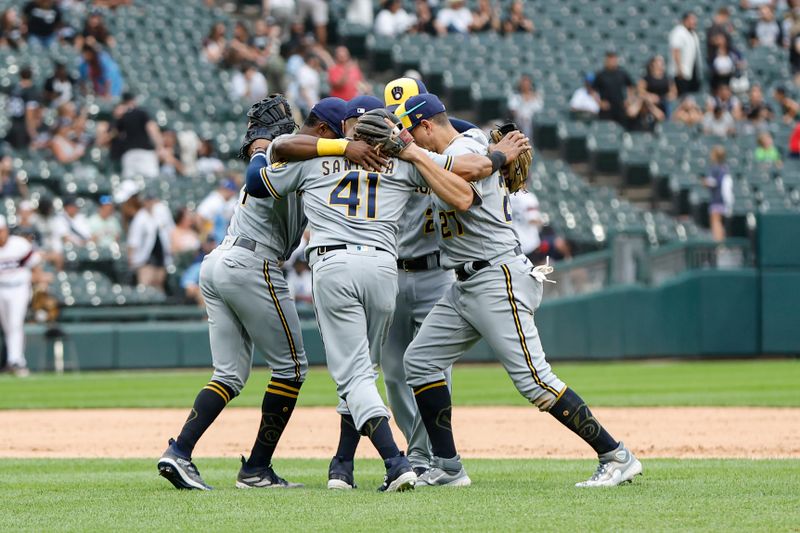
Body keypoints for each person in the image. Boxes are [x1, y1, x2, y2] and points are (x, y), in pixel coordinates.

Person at [398, 93, 642, 488]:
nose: (409, 140)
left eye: (411, 131)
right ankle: (447, 466)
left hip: (498, 277)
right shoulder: (447, 152)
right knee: (420, 361)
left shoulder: (466, 146)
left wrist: (417, 156)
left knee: (534, 380)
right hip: (464, 283)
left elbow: (463, 189)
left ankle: (616, 455)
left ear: (426, 125)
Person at [245, 98, 478, 493]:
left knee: (354, 375)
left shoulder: (312, 161)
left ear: (350, 130)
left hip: (335, 266)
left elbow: (259, 183)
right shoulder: (402, 163)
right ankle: (343, 466)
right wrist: (489, 156)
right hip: (385, 271)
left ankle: (395, 461)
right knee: (362, 372)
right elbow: (457, 176)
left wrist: (260, 148)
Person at [326, 92, 526, 483]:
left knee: (433, 365)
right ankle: (417, 452)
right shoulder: (395, 154)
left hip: (437, 270)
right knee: (397, 372)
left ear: (425, 122)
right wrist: (496, 154)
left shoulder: (428, 152)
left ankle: (437, 454)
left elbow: (459, 153)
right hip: (391, 272)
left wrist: (489, 146)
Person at [156, 95, 310, 491]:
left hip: (221, 260)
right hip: (253, 264)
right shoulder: (281, 155)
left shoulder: (282, 152)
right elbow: (261, 176)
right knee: (291, 369)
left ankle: (179, 451)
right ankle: (257, 468)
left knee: (228, 375)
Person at [0, 215, 47, 377]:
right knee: (8, 326)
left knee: (15, 323)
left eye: (1, 231)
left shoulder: (19, 244)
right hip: (1, 288)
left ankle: (17, 361)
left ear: (6, 230)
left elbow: (35, 264)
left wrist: (40, 281)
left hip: (19, 288)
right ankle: (11, 361)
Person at [127, 191, 172, 290]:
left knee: (159, 283)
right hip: (145, 257)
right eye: (147, 200)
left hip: (161, 254)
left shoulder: (161, 212)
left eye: (151, 200)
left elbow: (170, 231)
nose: (150, 203)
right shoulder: (140, 218)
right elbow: (133, 240)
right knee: (145, 285)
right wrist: (131, 258)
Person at [115, 93, 164, 179]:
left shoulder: (122, 117)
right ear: (133, 101)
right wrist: (159, 146)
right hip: (145, 152)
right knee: (151, 181)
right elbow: (151, 128)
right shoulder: (141, 113)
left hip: (129, 153)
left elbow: (119, 135)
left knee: (129, 183)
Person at [593, 50, 634, 125]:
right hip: (606, 109)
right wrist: (600, 103)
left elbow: (630, 87)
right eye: (610, 60)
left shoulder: (622, 73)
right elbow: (593, 90)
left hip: (620, 107)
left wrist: (629, 100)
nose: (612, 62)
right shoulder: (600, 75)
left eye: (614, 60)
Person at [702, 146, 733, 242]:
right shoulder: (725, 168)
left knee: (716, 221)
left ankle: (719, 242)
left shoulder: (716, 168)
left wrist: (704, 182)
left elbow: (713, 182)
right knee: (719, 222)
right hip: (724, 199)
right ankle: (721, 241)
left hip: (717, 198)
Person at [5, 67, 41, 149]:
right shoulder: (31, 91)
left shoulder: (13, 88)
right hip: (23, 127)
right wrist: (33, 133)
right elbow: (29, 113)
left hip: (12, 123)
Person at [669, 12, 702, 96]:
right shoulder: (679, 32)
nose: (695, 22)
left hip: (692, 72)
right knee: (682, 97)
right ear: (685, 20)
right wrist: (679, 70)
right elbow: (676, 51)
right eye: (692, 19)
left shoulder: (693, 33)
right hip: (681, 73)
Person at [196, 178, 239, 244]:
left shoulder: (230, 201)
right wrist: (204, 236)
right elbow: (199, 217)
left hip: (222, 237)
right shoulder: (214, 199)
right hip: (211, 238)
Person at [507, 75, 543, 139]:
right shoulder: (515, 96)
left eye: (527, 83)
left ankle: (528, 141)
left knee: (528, 121)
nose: (525, 86)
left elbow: (539, 110)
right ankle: (526, 140)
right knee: (525, 121)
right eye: (523, 84)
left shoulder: (535, 97)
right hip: (519, 120)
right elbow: (513, 110)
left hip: (533, 121)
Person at [509, 191, 542, 261]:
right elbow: (533, 220)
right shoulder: (527, 196)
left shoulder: (507, 196)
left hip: (514, 245)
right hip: (530, 245)